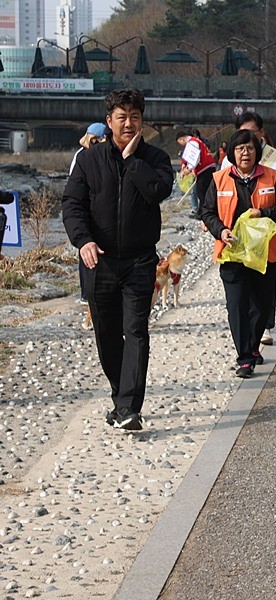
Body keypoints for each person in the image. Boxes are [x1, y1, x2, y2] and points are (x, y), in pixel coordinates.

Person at [62, 89, 174, 431]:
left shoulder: (155, 158)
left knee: (136, 331)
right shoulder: (88, 160)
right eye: (121, 117)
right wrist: (83, 241)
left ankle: (128, 408)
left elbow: (158, 191)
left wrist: (132, 160)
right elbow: (72, 205)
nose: (128, 123)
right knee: (107, 334)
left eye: (134, 117)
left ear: (143, 121)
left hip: (140, 261)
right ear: (108, 121)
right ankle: (120, 396)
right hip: (100, 261)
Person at [201, 129, 276, 378]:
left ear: (257, 152)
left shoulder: (271, 176)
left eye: (250, 148)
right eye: (240, 148)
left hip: (265, 253)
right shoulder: (219, 178)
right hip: (232, 253)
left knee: (261, 305)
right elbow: (207, 212)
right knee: (237, 305)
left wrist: (263, 213)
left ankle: (252, 346)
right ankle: (245, 358)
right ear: (232, 153)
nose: (245, 153)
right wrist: (221, 231)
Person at [221, 111, 276, 346]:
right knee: (241, 290)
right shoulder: (228, 161)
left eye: (252, 132)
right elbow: (219, 194)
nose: (247, 142)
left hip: (267, 234)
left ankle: (264, 327)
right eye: (242, 133)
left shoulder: (275, 157)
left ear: (261, 132)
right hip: (237, 238)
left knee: (264, 286)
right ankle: (248, 342)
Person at [69, 122, 107, 305]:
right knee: (87, 253)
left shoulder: (80, 154)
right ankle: (87, 293)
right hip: (88, 212)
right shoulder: (84, 156)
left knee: (88, 254)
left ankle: (88, 293)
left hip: (89, 211)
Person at [176, 130, 217, 220]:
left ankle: (204, 213)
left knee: (202, 192)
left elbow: (194, 158)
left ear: (182, 139)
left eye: (180, 143)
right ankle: (201, 212)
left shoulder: (193, 143)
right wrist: (184, 166)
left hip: (205, 168)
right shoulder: (192, 143)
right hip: (205, 168)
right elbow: (186, 158)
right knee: (201, 192)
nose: (182, 145)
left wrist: (188, 169)